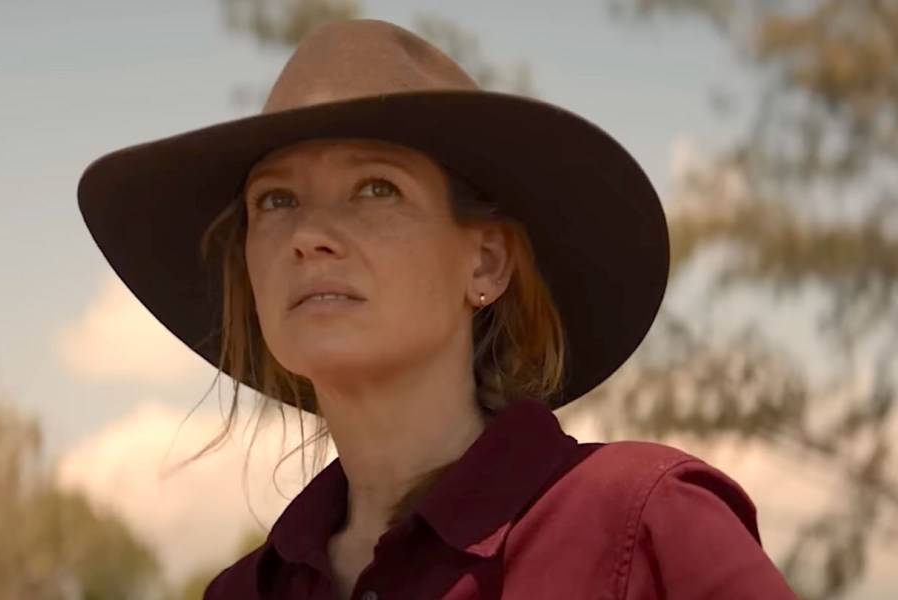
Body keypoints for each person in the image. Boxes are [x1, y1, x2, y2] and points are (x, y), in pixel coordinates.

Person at [77, 18, 798, 600]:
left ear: (485, 262)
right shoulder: (245, 592)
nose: (308, 237)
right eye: (275, 200)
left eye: (375, 188)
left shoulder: (641, 524)